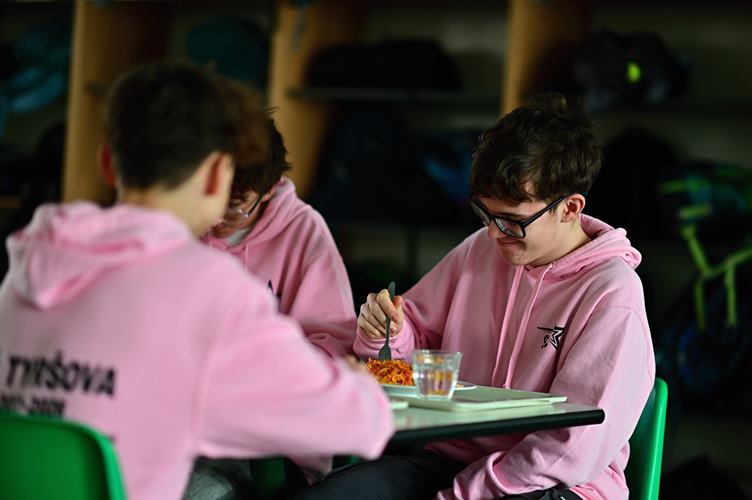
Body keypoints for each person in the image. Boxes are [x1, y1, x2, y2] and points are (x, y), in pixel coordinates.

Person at [0, 62, 393, 500]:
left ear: (107, 163)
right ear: (217, 175)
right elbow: (358, 423)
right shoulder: (207, 289)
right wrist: (355, 385)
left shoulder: (25, 268)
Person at [296, 94, 655, 500]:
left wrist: (466, 494)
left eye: (513, 221)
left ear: (570, 208)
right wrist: (387, 336)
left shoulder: (612, 293)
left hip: (554, 482)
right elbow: (404, 372)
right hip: (450, 461)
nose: (494, 233)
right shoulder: (480, 251)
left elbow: (572, 446)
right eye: (485, 214)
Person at [202, 113, 356, 358]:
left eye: (233, 207)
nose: (214, 219)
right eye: (209, 198)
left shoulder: (304, 231)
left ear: (269, 190)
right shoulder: (178, 222)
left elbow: (334, 344)